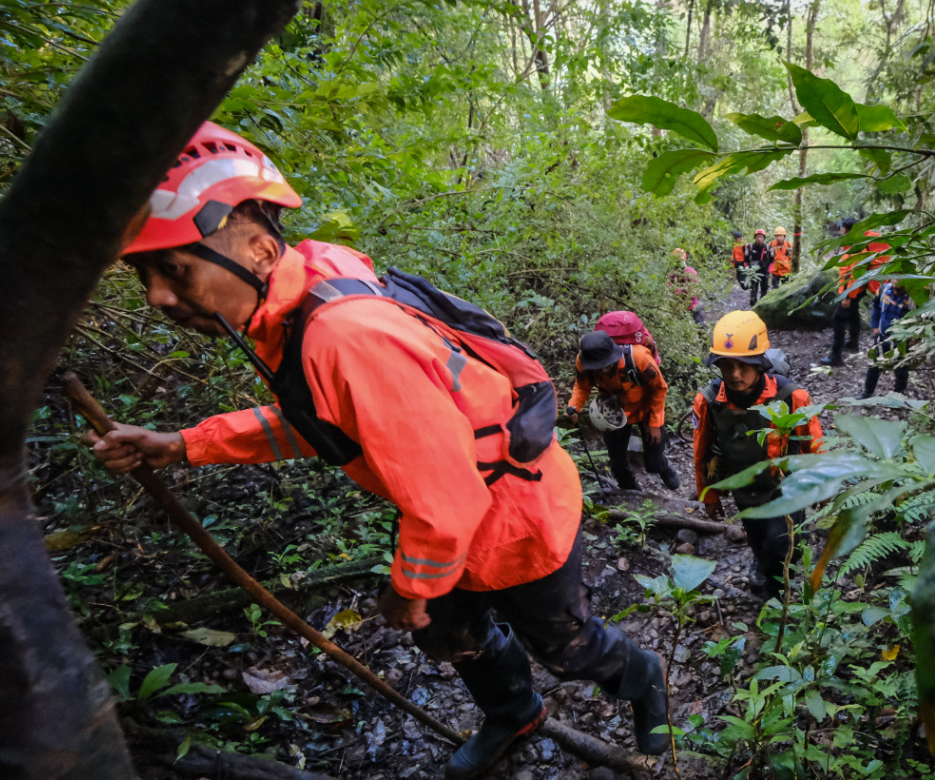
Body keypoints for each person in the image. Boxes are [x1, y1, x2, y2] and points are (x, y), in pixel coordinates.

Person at [84, 122, 669, 779]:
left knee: (566, 646)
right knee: (450, 635)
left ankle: (644, 677)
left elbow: (447, 500)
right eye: (145, 274)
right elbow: (323, 423)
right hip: (452, 520)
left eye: (173, 269)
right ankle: (515, 712)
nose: (157, 295)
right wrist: (183, 445)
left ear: (257, 249)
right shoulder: (299, 308)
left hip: (514, 517)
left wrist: (407, 590)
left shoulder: (345, 335)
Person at [692, 311, 824, 600]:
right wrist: (709, 495)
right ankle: (761, 561)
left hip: (786, 488)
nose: (735, 374)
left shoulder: (792, 397)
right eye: (727, 365)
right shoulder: (710, 402)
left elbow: (814, 445)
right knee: (756, 535)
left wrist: (824, 487)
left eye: (744, 365)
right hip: (745, 486)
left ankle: (776, 600)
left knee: (782, 545)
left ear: (760, 364)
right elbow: (702, 450)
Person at [565, 331, 680, 491]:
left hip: (646, 409)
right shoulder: (584, 361)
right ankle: (631, 491)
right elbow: (582, 385)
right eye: (597, 366)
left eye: (605, 365)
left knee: (653, 459)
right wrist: (574, 406)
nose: (601, 370)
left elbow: (659, 389)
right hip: (614, 411)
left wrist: (654, 424)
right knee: (617, 461)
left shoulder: (639, 358)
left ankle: (664, 468)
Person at [821, 220, 891, 367]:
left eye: (842, 228)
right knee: (853, 312)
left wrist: (846, 296)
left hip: (855, 288)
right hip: (863, 285)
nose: (840, 230)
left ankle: (836, 356)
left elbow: (852, 273)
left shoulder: (856, 246)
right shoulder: (862, 239)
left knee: (838, 319)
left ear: (847, 230)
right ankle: (853, 341)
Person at [863, 280, 913, 398]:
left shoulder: (913, 297)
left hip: (902, 340)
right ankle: (867, 392)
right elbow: (876, 307)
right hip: (882, 336)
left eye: (900, 275)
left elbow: (922, 316)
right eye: (894, 274)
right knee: (874, 364)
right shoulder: (883, 289)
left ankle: (898, 395)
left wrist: (915, 337)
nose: (896, 279)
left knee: (901, 368)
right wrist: (875, 326)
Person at [669, 247, 706, 326]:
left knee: (698, 324)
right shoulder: (689, 272)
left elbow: (670, 289)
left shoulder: (675, 274)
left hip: (689, 305)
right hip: (687, 306)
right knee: (699, 324)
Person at [743, 228, 774, 305]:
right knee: (753, 291)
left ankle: (762, 305)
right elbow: (745, 260)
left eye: (761, 237)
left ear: (764, 238)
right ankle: (753, 306)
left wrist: (769, 271)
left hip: (765, 273)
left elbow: (772, 260)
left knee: (764, 291)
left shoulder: (768, 248)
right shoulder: (750, 247)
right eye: (757, 237)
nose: (759, 239)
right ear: (755, 238)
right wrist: (747, 269)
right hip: (754, 273)